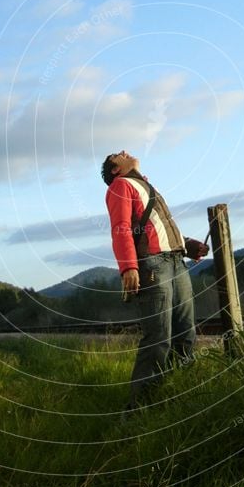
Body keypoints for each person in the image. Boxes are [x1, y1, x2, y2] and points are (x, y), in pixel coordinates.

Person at [101, 150, 209, 410]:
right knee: (159, 338)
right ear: (116, 170)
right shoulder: (120, 185)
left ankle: (180, 398)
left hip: (174, 261)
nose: (125, 152)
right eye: (118, 155)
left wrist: (188, 245)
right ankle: (140, 410)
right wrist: (128, 267)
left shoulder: (147, 186)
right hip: (152, 265)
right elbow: (121, 229)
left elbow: (157, 226)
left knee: (185, 333)